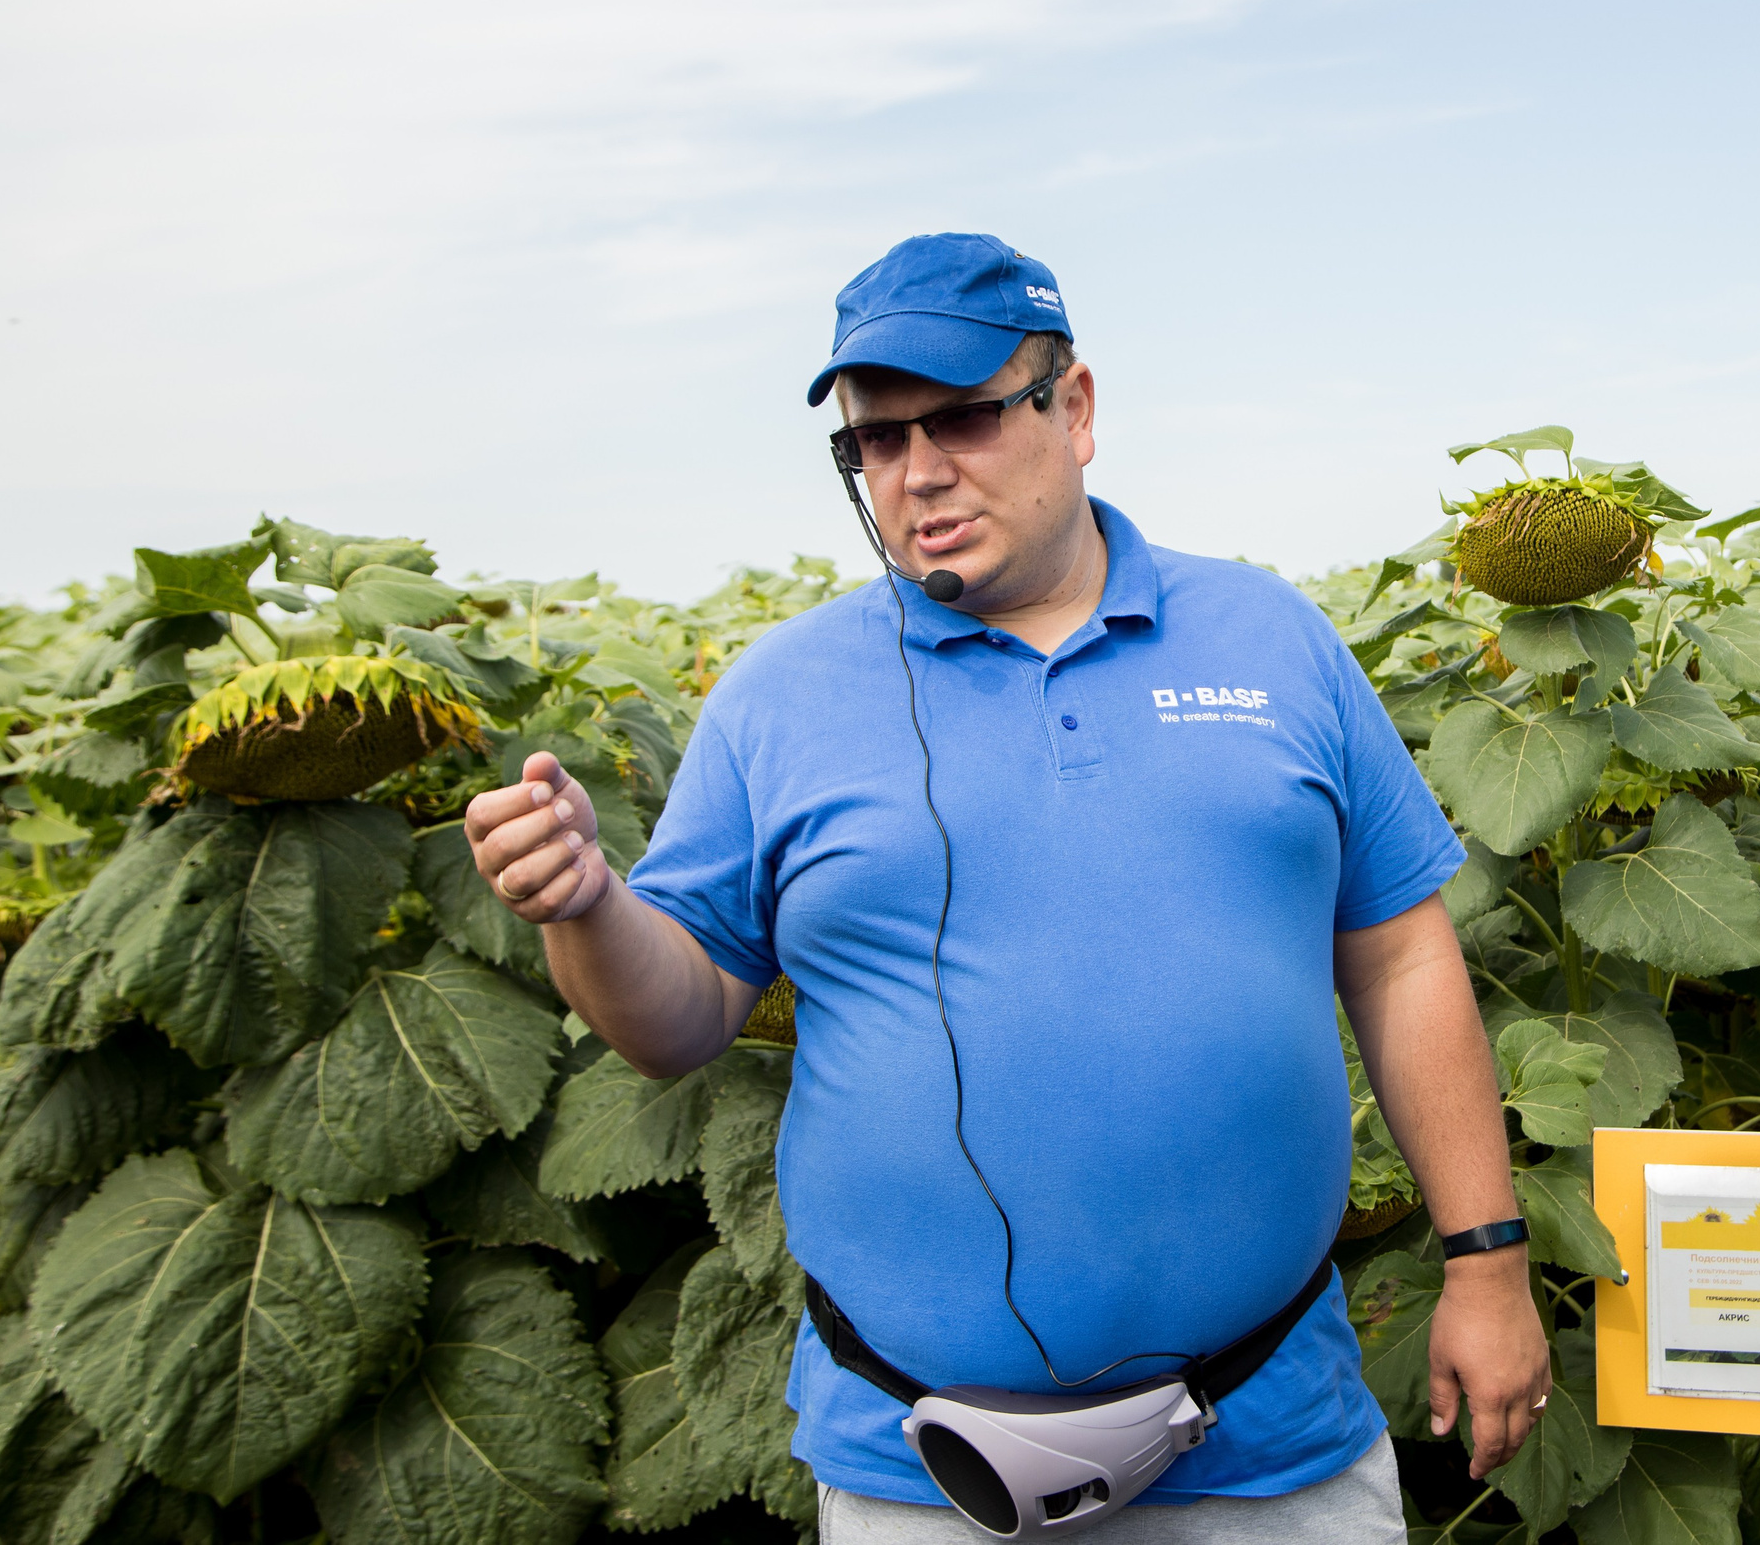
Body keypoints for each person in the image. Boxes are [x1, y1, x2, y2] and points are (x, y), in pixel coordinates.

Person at [464, 233, 1549, 1541]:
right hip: (920, 1470)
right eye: (875, 440)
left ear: (1073, 408)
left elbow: (1401, 955)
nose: (919, 472)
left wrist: (1487, 1264)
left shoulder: (1272, 640)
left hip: (1269, 1444)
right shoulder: (777, 698)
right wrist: (584, 904)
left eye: (966, 417)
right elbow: (676, 1021)